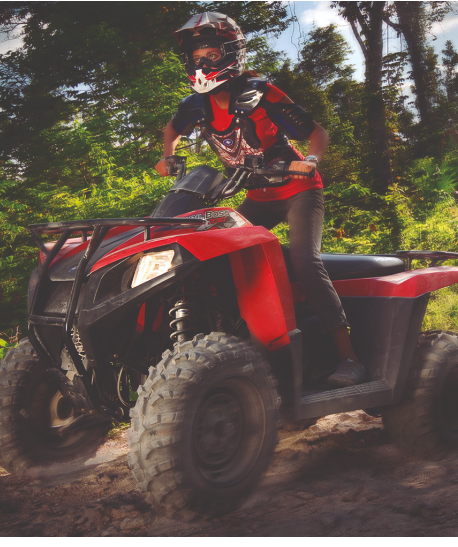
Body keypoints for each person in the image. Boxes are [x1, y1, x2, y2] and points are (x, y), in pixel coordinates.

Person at [154, 12, 365, 387]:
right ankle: (249, 350)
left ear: (231, 53)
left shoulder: (260, 92)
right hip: (257, 196)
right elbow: (172, 128)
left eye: (211, 56)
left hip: (298, 191)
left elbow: (317, 133)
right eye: (196, 58)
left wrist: (310, 161)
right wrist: (168, 154)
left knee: (304, 260)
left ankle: (348, 357)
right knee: (214, 257)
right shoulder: (195, 105)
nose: (203, 64)